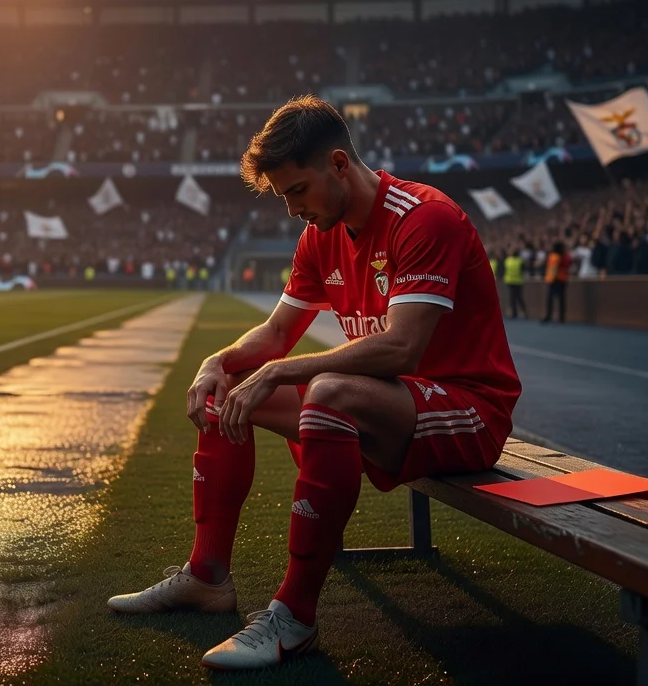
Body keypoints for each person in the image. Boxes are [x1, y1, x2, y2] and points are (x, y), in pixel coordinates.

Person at [107, 96, 521, 670]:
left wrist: (278, 371)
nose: (292, 208)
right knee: (228, 392)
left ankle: (295, 617)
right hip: (393, 405)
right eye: (283, 197)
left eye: (297, 191)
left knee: (327, 392)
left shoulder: (425, 217)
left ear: (338, 164)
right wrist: (219, 363)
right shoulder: (320, 235)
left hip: (469, 410)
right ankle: (207, 577)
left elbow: (404, 347)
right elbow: (277, 332)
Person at [541, 241, 567, 324]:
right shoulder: (563, 256)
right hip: (561, 279)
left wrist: (549, 279)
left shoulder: (553, 256)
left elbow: (551, 268)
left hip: (553, 280)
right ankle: (561, 317)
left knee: (550, 299)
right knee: (561, 299)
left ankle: (549, 316)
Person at [503, 244, 527, 319]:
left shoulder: (507, 260)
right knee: (518, 298)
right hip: (517, 281)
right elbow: (524, 269)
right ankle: (521, 312)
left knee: (513, 298)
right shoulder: (520, 261)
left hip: (510, 281)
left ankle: (515, 313)